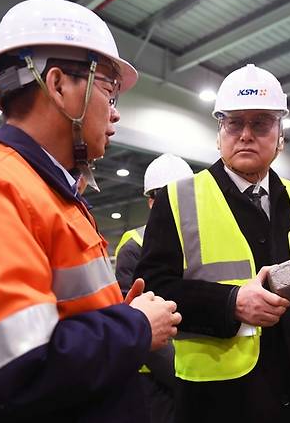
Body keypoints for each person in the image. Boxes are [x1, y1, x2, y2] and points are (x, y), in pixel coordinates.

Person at [0, 0, 181, 423]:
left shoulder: (47, 193)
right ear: (59, 84)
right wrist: (135, 327)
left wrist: (116, 312)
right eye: (108, 87)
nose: (116, 112)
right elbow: (11, 379)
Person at [135, 63, 290, 423]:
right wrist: (230, 303)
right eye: (234, 123)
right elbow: (153, 290)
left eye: (261, 123)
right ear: (219, 133)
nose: (246, 134)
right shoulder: (178, 199)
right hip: (221, 399)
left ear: (280, 136)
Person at [113, 153, 193, 422]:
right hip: (156, 379)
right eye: (164, 196)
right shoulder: (134, 245)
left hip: (199, 371)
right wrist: (182, 381)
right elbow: (139, 320)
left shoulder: (197, 243)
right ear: (151, 202)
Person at [115, 153, 194, 295]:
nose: (176, 202)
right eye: (167, 196)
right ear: (151, 202)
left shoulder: (197, 239)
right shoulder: (133, 248)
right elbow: (127, 301)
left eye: (181, 195)